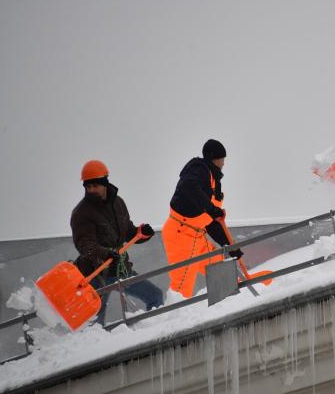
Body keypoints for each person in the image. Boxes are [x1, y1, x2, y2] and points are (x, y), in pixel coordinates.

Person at [71, 160, 163, 325]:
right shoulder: (81, 213)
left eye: (95, 186)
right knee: (95, 325)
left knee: (155, 296)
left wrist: (143, 234)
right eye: (87, 186)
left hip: (120, 269)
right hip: (95, 274)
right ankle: (96, 348)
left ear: (105, 183)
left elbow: (128, 232)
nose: (91, 190)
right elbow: (84, 244)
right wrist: (105, 253)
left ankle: (154, 331)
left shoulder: (118, 203)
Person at [161, 139, 243, 298]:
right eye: (222, 159)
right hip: (181, 235)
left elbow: (211, 222)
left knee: (221, 268)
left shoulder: (214, 181)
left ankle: (232, 305)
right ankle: (175, 319)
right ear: (213, 158)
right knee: (181, 288)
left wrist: (230, 246)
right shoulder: (199, 169)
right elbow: (188, 186)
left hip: (197, 237)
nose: (224, 163)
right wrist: (212, 209)